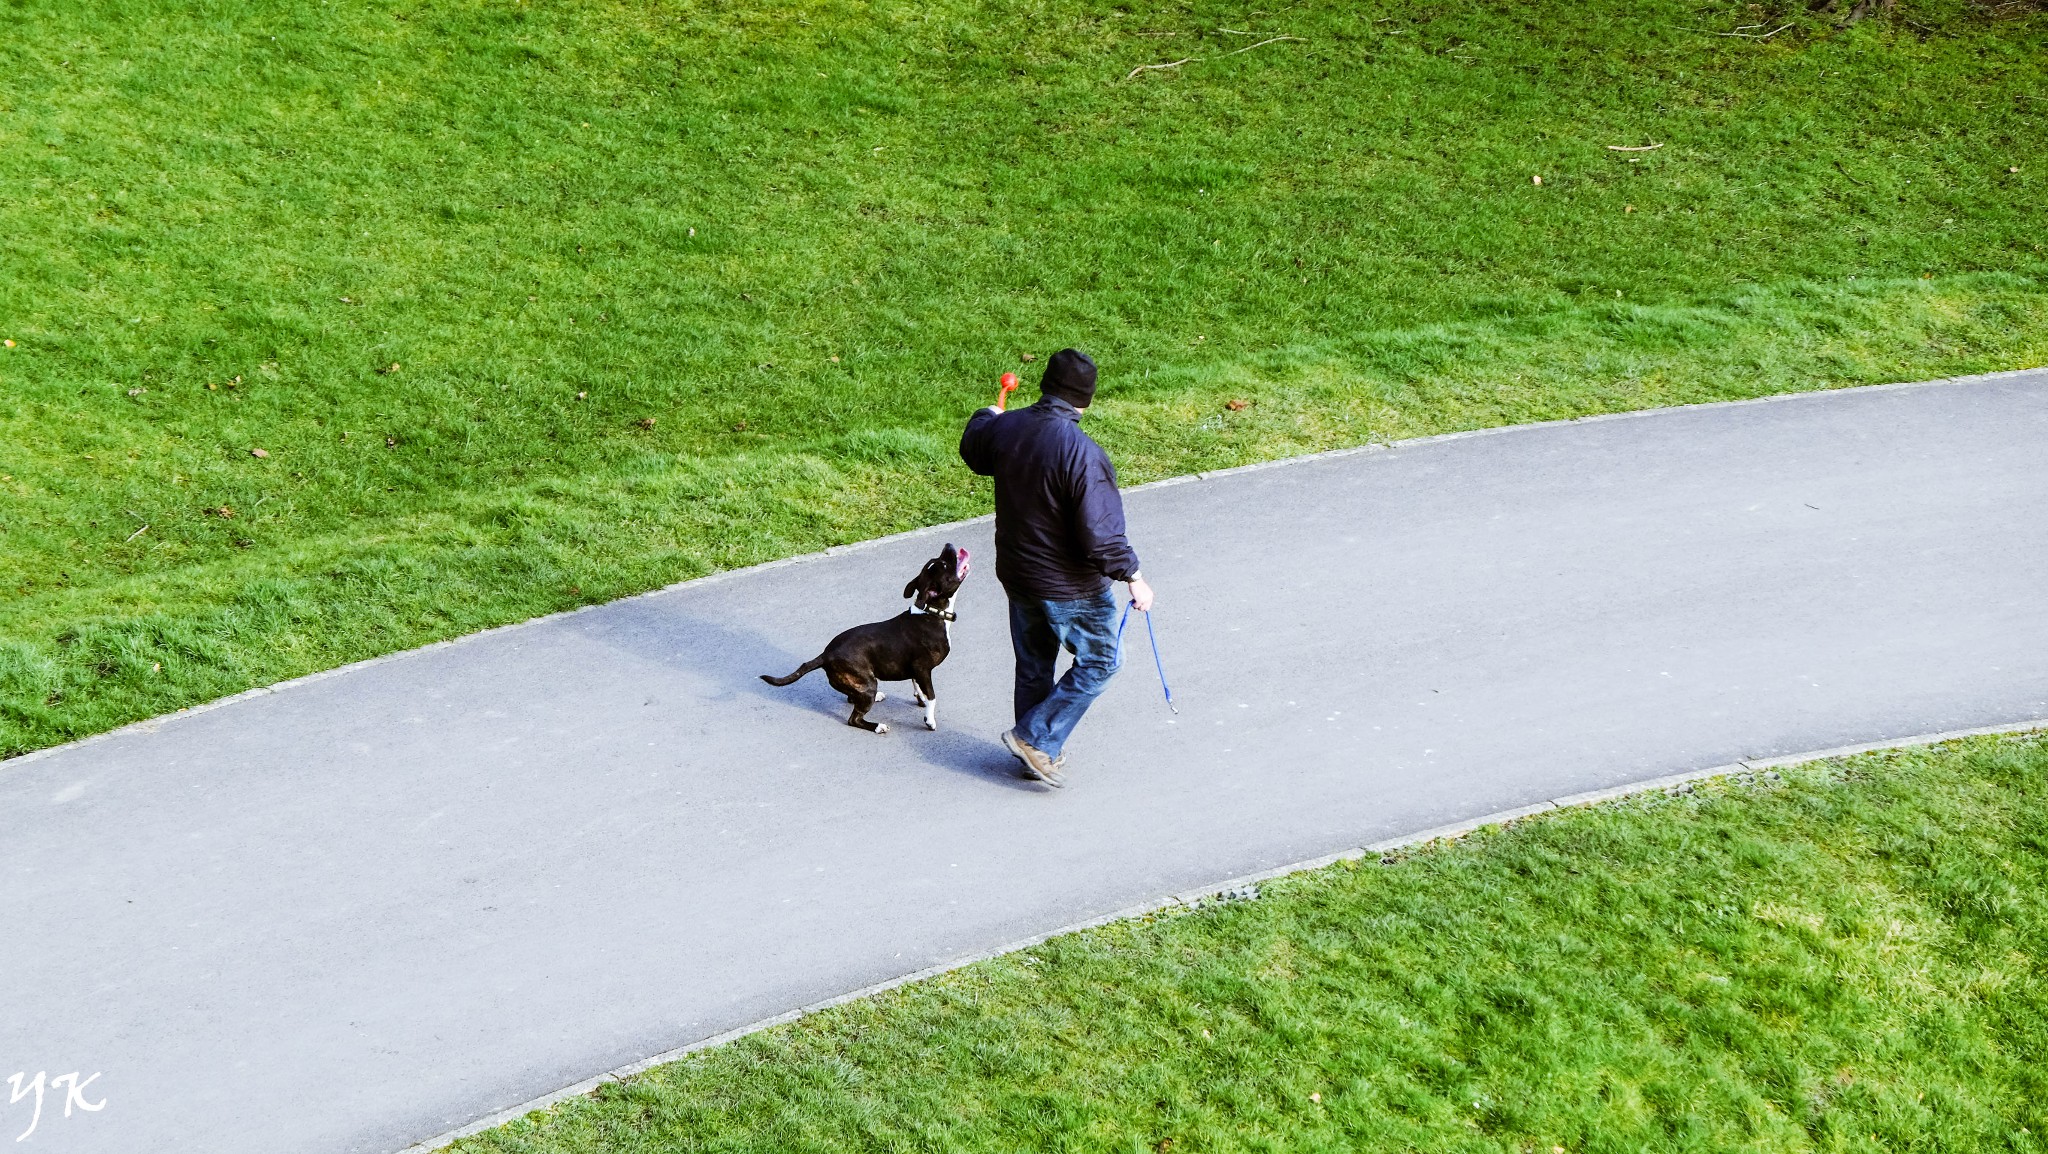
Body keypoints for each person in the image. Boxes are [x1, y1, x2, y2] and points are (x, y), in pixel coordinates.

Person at [959, 348, 1155, 788]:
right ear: (1085, 399)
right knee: (1103, 661)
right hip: (1069, 586)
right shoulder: (1082, 454)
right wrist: (1134, 577)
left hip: (1017, 572)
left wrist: (985, 414)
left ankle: (1032, 750)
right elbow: (1101, 536)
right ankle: (1034, 738)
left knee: (1034, 665)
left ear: (1047, 385)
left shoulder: (1006, 427)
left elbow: (975, 451)